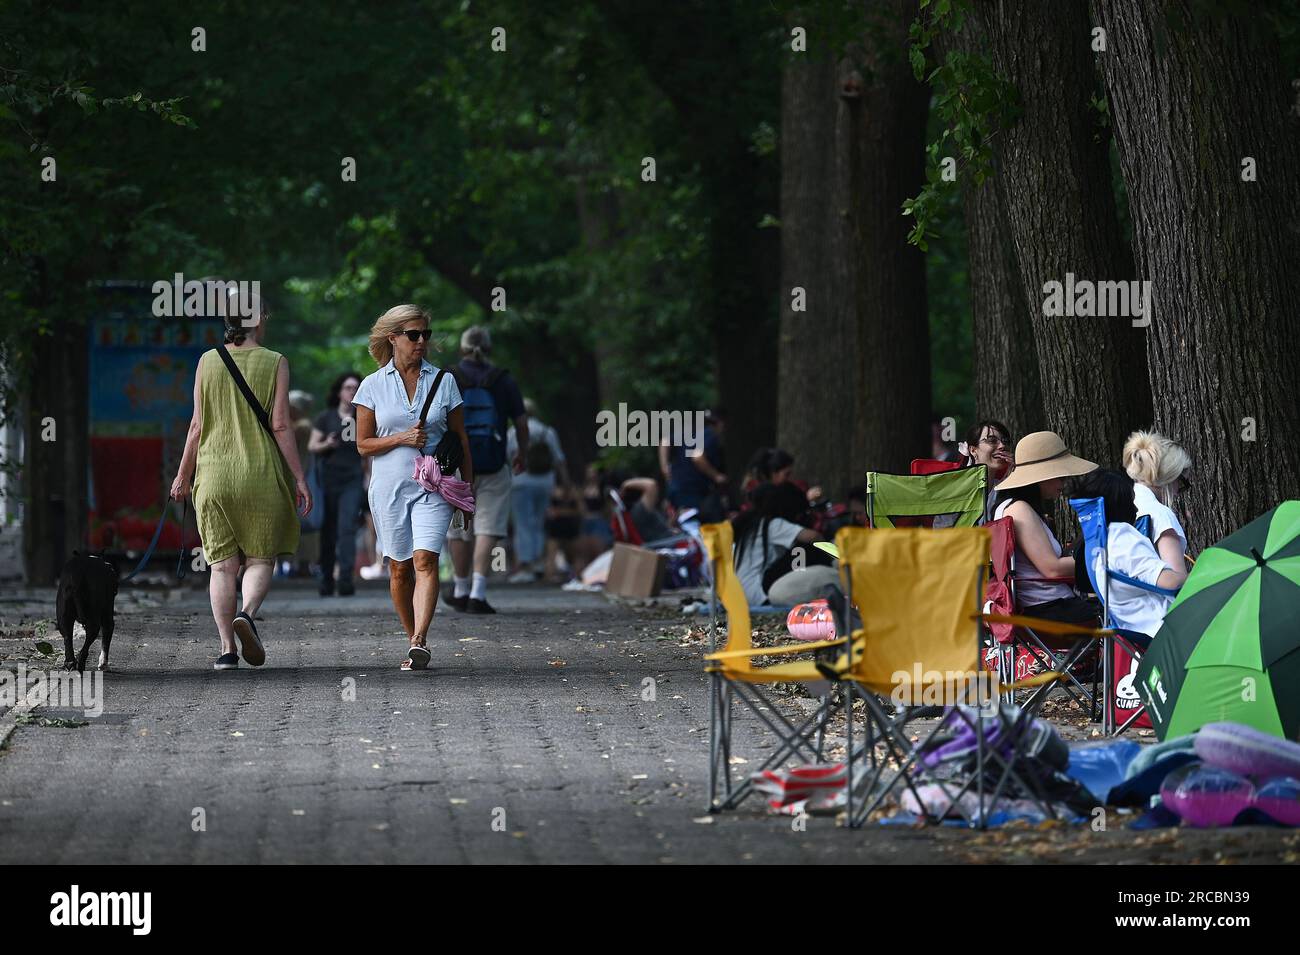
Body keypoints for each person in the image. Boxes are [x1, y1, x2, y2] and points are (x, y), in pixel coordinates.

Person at [170, 294, 311, 670]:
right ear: (259, 318)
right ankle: (246, 613)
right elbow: (281, 425)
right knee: (260, 558)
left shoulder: (207, 360)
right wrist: (299, 477)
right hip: (260, 475)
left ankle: (226, 650)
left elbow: (197, 425)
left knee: (221, 566)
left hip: (214, 476)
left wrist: (183, 474)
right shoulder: (275, 361)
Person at [353, 304, 472, 670]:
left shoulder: (444, 381)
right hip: (388, 488)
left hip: (435, 486)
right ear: (393, 338)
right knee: (400, 568)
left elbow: (461, 439)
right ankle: (411, 637)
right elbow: (363, 444)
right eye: (413, 335)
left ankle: (420, 639)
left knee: (426, 559)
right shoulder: (372, 385)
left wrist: (469, 491)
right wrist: (402, 438)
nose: (421, 342)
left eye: (426, 335)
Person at [446, 326, 528, 614]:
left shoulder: (450, 377)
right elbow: (520, 423)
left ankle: (460, 588)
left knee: (458, 530)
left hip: (456, 465)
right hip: (494, 464)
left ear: (462, 347)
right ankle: (478, 594)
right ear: (489, 348)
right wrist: (522, 454)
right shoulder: (503, 380)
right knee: (487, 528)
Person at [992, 430, 1099, 628]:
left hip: (1043, 608)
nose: (1065, 482)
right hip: (1050, 610)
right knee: (1123, 610)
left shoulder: (1007, 507)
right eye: (1060, 475)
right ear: (1041, 477)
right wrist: (1104, 561)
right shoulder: (1019, 509)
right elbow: (1053, 569)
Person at [1072, 469, 1181, 635]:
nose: (1136, 508)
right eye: (1130, 500)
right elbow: (1170, 582)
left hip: (1133, 631)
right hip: (1167, 629)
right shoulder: (1121, 537)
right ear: (1119, 505)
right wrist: (1205, 575)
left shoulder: (1096, 543)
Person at [731, 482, 835, 607]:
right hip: (758, 595)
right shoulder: (772, 524)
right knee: (805, 550)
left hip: (739, 595)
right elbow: (813, 536)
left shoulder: (750, 524)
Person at [309, 371, 365, 596]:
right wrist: (327, 444)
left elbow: (369, 451)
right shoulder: (326, 417)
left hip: (352, 480)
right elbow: (312, 446)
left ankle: (345, 581)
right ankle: (326, 580)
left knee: (347, 529)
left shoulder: (364, 418)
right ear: (339, 391)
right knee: (328, 531)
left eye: (355, 388)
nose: (352, 392)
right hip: (328, 481)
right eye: (348, 387)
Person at [507, 398, 568, 583]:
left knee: (523, 523)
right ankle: (539, 562)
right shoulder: (547, 431)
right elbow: (559, 459)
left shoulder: (512, 433)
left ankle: (526, 566)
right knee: (540, 521)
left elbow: (507, 457)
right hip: (545, 482)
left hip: (520, 481)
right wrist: (565, 483)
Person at [1123, 430, 1191, 588]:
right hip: (1158, 607)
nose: (1178, 491)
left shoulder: (1125, 503)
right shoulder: (1161, 515)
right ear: (1170, 478)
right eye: (1181, 483)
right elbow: (1176, 584)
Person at [659, 409, 727, 525]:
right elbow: (697, 457)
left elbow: (664, 442)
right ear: (720, 424)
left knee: (679, 523)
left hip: (676, 487)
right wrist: (716, 476)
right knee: (692, 525)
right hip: (692, 491)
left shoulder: (688, 433)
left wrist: (664, 467)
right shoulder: (709, 434)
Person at [960, 419, 1016, 520]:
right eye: (992, 440)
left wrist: (1016, 473)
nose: (1002, 446)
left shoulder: (1007, 488)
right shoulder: (956, 489)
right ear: (973, 450)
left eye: (1005, 441)